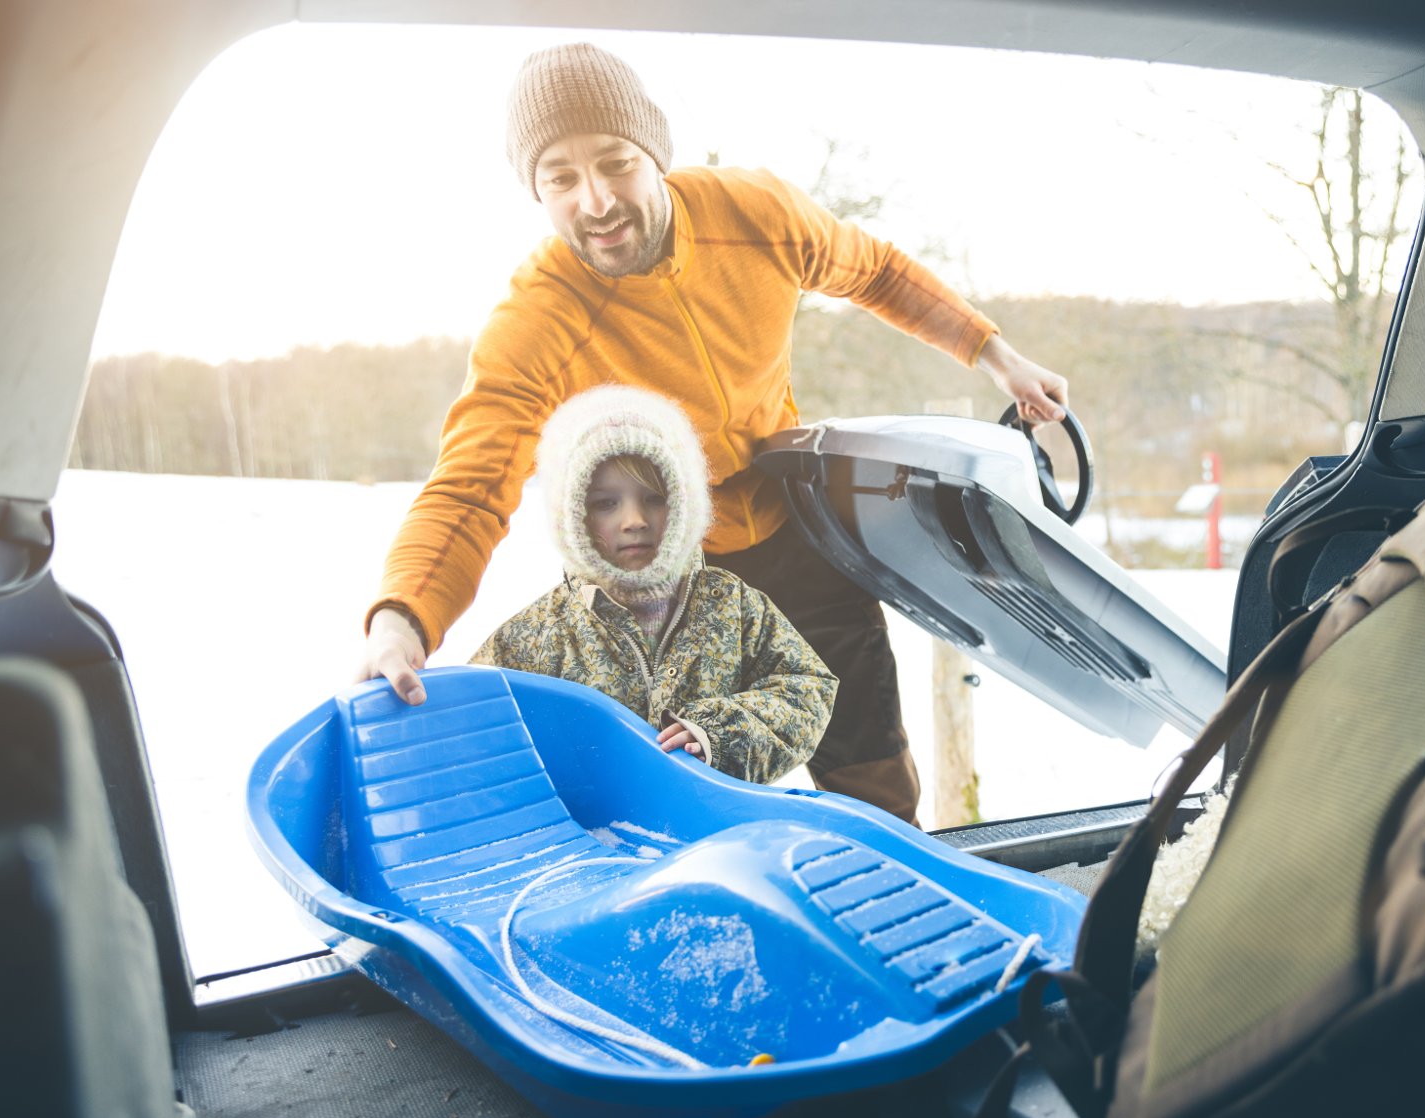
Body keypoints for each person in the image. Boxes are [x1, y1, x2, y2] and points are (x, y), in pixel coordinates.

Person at [360, 42, 1069, 824]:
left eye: (616, 163)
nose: (596, 201)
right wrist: (402, 620)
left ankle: (887, 854)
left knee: (869, 762)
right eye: (559, 178)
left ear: (656, 155)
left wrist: (993, 354)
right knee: (680, 783)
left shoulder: (755, 215)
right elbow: (470, 486)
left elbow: (873, 270)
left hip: (799, 527)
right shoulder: (539, 316)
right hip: (659, 574)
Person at [471, 385, 836, 784]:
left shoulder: (734, 606)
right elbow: (472, 730)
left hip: (716, 817)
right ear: (573, 515)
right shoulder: (535, 637)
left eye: (655, 498)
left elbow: (807, 689)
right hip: (595, 822)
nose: (634, 520)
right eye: (606, 503)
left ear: (684, 502)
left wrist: (720, 734)